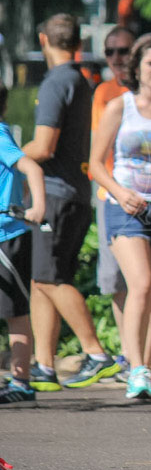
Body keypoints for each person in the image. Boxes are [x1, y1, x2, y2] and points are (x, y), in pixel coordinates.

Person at [23, 14, 118, 391]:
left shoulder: (55, 82)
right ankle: (44, 368)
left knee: (51, 278)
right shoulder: (80, 80)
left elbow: (43, 146)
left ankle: (96, 354)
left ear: (44, 39)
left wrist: (10, 157)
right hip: (74, 193)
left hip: (57, 196)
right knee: (40, 281)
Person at [89, 33, 151, 399]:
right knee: (140, 284)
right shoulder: (119, 106)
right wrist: (120, 192)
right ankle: (136, 367)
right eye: (150, 63)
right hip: (125, 207)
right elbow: (95, 164)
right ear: (137, 68)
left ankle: (144, 368)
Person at [0, 82, 47, 404]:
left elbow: (30, 167)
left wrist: (37, 207)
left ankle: (21, 382)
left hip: (7, 237)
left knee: (15, 311)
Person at [91, 26, 134, 377]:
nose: (117, 59)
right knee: (116, 280)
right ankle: (127, 355)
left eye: (124, 51)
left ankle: (144, 356)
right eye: (111, 52)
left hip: (147, 195)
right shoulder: (105, 92)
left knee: (147, 281)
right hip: (110, 193)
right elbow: (100, 148)